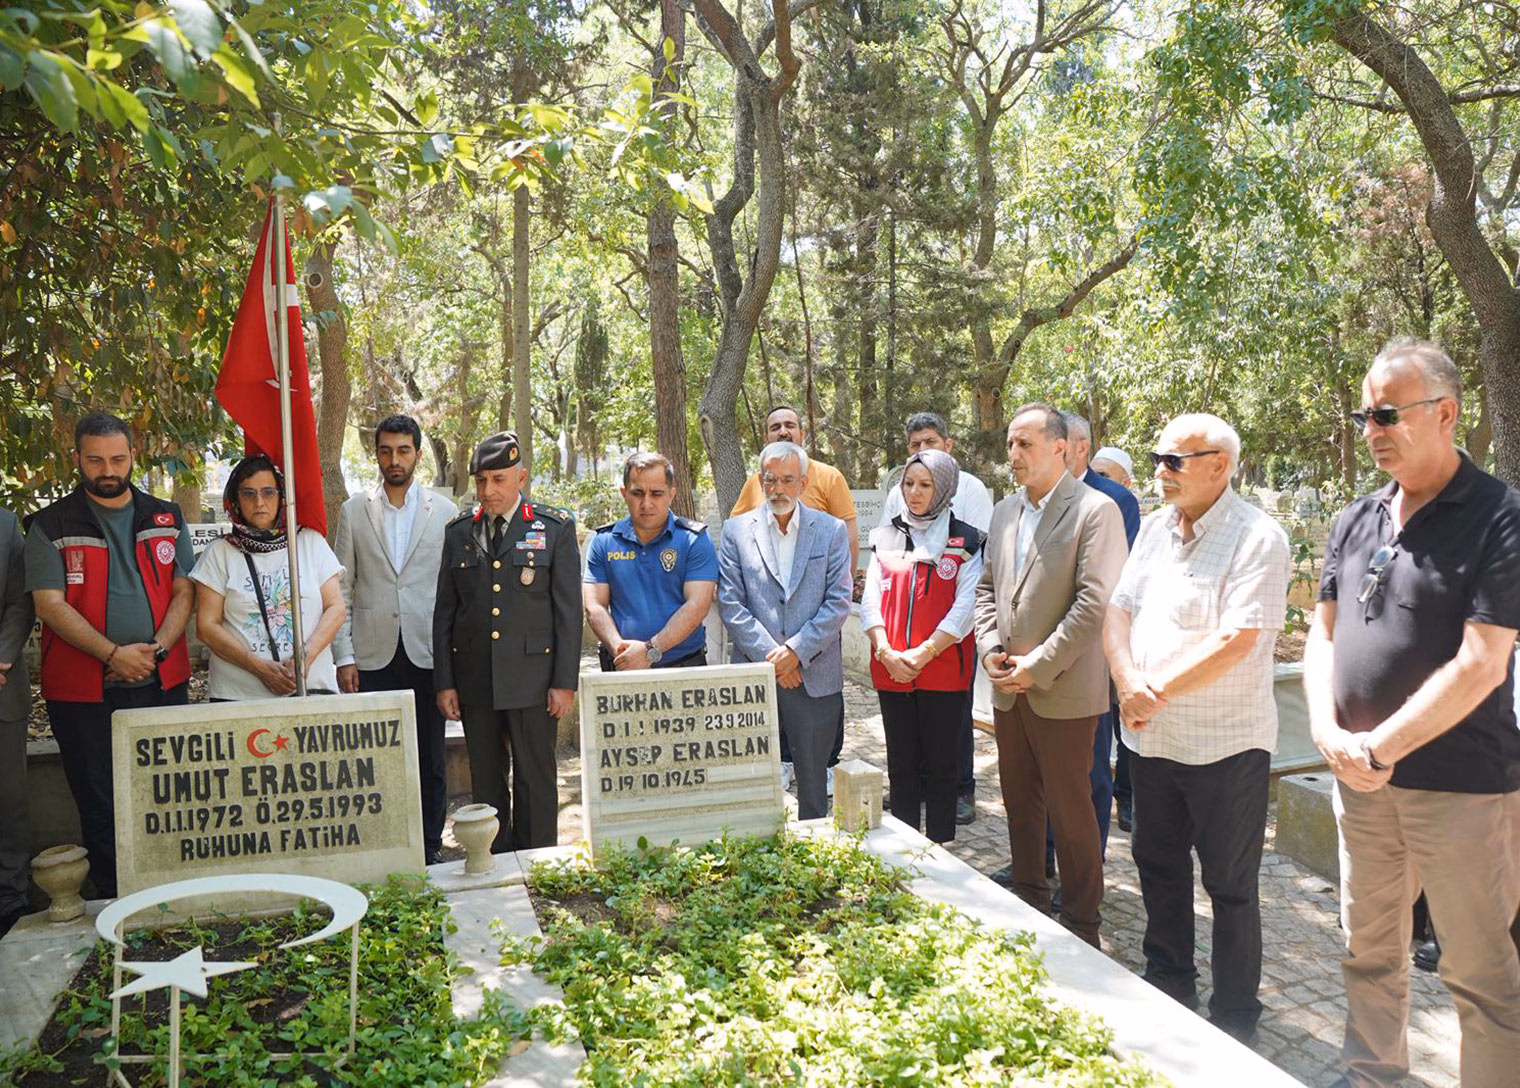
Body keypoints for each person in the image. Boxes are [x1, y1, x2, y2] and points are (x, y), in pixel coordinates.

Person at [1303, 338, 1520, 1087]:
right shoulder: (1356, 518)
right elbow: (1323, 634)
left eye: (1389, 414)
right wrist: (1327, 732)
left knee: (1482, 979)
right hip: (1361, 784)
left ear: (1447, 413)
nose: (1373, 429)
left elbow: (1483, 661)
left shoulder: (1500, 516)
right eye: (1366, 415)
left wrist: (1379, 746)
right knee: (1368, 951)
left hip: (1462, 790)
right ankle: (1372, 1075)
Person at [1102, 413, 1289, 1044]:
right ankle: (1169, 981)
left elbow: (1238, 639)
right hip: (1151, 738)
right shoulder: (1156, 528)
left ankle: (1235, 1015)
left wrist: (1150, 692)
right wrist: (1127, 682)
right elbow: (1118, 610)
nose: (1160, 470)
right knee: (1157, 863)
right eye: (1158, 457)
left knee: (1229, 885)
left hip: (1225, 746)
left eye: (1174, 461)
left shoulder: (1257, 537)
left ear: (1220, 465)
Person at [24, 412, 196, 899]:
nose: (108, 470)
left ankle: (173, 895)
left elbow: (184, 589)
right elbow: (49, 604)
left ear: (133, 456)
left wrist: (157, 649)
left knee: (169, 794)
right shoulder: (50, 524)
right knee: (100, 800)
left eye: (118, 459)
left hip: (162, 680)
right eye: (96, 460)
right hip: (83, 692)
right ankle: (113, 900)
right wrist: (113, 654)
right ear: (76, 458)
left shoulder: (166, 516)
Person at [973, 403, 1125, 948]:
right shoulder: (1004, 511)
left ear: (1060, 447)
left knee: (1071, 810)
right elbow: (987, 589)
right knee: (1019, 803)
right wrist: (990, 650)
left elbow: (1093, 604)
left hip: (1064, 690)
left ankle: (1083, 924)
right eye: (1010, 445)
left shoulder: (1095, 511)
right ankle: (1030, 899)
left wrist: (1036, 667)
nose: (1013, 454)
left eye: (1024, 444)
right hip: (1007, 688)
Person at [433, 432, 580, 851]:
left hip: (534, 678)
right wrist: (445, 682)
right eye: (481, 480)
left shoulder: (553, 528)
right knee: (486, 778)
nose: (488, 490)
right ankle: (494, 860)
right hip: (477, 679)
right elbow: (445, 612)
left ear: (521, 478)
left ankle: (538, 861)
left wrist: (563, 682)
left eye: (498, 479)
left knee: (535, 775)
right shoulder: (459, 532)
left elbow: (568, 613)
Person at [332, 415, 455, 865]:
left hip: (427, 651)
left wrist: (453, 663)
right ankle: (381, 844)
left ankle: (429, 845)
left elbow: (453, 594)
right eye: (385, 451)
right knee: (373, 757)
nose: (394, 460)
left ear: (418, 455)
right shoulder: (354, 511)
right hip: (372, 654)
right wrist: (344, 656)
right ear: (376, 455)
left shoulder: (445, 512)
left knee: (430, 755)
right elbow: (342, 589)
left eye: (403, 451)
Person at [718, 441, 852, 820]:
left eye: (788, 480)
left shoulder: (831, 530)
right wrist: (775, 660)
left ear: (803, 482)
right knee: (753, 784)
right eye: (770, 480)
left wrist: (796, 652)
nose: (778, 489)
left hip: (814, 676)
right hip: (755, 677)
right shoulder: (736, 531)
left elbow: (838, 602)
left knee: (814, 792)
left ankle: (813, 850)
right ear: (760, 481)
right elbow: (731, 603)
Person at [861, 449, 984, 842]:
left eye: (925, 485)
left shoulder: (967, 540)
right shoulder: (885, 536)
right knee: (901, 764)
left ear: (944, 488)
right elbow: (870, 599)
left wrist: (926, 651)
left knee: (943, 766)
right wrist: (884, 650)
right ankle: (905, 846)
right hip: (891, 666)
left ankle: (940, 848)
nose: (914, 493)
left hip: (943, 668)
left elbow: (967, 606)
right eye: (909, 484)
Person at [191, 455, 347, 700]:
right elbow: (206, 626)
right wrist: (258, 668)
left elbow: (336, 608)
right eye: (248, 494)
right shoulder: (220, 552)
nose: (259, 502)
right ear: (235, 499)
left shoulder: (309, 542)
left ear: (282, 495)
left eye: (268, 492)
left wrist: (304, 658)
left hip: (311, 689)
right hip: (239, 696)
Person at [1062, 411, 1142, 852]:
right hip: (1042, 651)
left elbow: (1111, 578)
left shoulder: (1114, 499)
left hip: (1091, 648)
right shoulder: (1037, 497)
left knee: (1091, 763)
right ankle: (1043, 860)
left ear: (1079, 448)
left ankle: (1087, 864)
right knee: (1050, 767)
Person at [584, 452, 718, 672]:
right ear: (624, 493)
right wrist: (623, 653)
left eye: (656, 494)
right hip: (622, 668)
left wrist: (649, 652)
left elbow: (697, 606)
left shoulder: (693, 540)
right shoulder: (604, 542)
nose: (646, 503)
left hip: (683, 670)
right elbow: (594, 606)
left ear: (671, 494)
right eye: (637, 493)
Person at [0, 506, 33, 936]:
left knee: (9, 801)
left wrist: (2, 657)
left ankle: (11, 900)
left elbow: (20, 601)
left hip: (2, 685)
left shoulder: (5, 526)